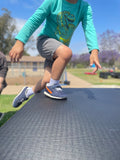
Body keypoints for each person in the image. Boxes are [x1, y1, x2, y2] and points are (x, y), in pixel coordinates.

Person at [9, 0, 101, 107]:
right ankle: (53, 86)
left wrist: (94, 51)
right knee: (66, 53)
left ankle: (27, 92)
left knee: (47, 80)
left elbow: (89, 28)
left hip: (58, 50)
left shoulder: (84, 7)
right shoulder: (53, 1)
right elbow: (35, 20)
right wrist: (20, 41)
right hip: (45, 41)